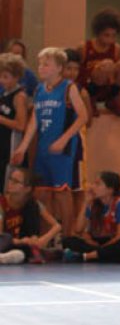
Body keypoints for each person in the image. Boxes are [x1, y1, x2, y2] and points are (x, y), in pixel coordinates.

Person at [12, 48, 88, 237]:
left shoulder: (69, 88)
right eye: (40, 64)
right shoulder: (39, 89)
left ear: (59, 68)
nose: (41, 67)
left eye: (46, 64)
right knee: (42, 193)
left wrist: (63, 140)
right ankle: (46, 238)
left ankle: (69, 237)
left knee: (62, 192)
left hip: (62, 150)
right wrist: (22, 147)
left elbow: (83, 116)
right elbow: (35, 121)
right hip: (43, 148)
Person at [62, 171, 120, 263]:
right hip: (97, 242)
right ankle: (113, 256)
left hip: (113, 241)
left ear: (110, 189)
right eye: (94, 183)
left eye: (98, 184)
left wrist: (104, 247)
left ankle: (86, 256)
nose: (93, 187)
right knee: (67, 241)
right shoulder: (93, 204)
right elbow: (78, 229)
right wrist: (85, 202)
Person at [0, 168, 61, 264]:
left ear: (27, 189)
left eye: (15, 181)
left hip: (20, 245)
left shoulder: (33, 204)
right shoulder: (2, 202)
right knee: (6, 239)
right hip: (7, 241)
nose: (10, 183)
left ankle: (6, 257)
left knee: (22, 252)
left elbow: (57, 226)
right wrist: (20, 241)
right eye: (10, 179)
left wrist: (42, 240)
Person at [77, 8, 120, 116]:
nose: (110, 40)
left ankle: (113, 101)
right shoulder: (84, 47)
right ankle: (91, 101)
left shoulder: (116, 48)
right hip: (88, 89)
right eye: (106, 35)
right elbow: (75, 74)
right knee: (107, 65)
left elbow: (118, 74)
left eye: (114, 35)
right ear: (98, 33)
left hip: (107, 89)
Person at [63, 48, 92, 222]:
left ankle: (76, 226)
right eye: (69, 68)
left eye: (76, 69)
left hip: (76, 146)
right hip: (58, 145)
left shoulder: (81, 92)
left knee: (78, 188)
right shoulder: (53, 90)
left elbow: (88, 121)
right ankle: (63, 225)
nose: (72, 73)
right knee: (59, 189)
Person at [0, 53, 28, 192]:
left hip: (11, 146)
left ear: (16, 77)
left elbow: (21, 125)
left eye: (5, 77)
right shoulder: (5, 94)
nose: (1, 80)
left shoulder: (19, 96)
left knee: (7, 187)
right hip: (3, 144)